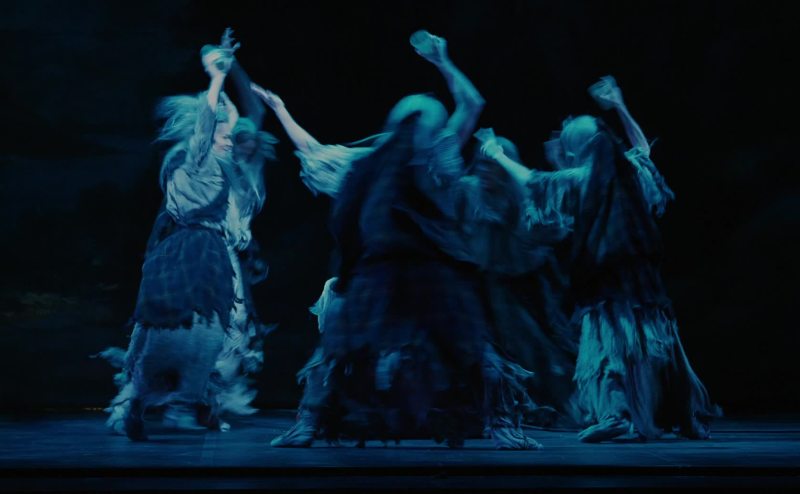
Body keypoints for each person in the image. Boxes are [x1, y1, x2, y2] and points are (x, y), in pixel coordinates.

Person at [260, 32, 540, 449]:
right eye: (416, 121)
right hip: (383, 271)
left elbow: (472, 104)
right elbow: (318, 159)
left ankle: (502, 425)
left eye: (427, 121)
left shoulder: (440, 158)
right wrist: (281, 110)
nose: (422, 128)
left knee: (473, 346)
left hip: (434, 272)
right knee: (340, 343)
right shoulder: (373, 163)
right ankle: (309, 421)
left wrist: (442, 61)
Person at [479, 76, 719, 442]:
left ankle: (617, 414)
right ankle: (667, 414)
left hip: (608, 276)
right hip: (641, 277)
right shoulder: (627, 172)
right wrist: (620, 106)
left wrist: (497, 155)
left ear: (578, 150)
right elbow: (642, 148)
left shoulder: (585, 179)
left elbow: (535, 181)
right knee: (652, 341)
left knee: (611, 343)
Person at [102, 32, 277, 441]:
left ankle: (189, 401)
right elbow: (207, 127)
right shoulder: (196, 159)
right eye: (226, 135)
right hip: (195, 250)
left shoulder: (230, 168)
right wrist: (216, 78)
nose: (233, 141)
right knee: (179, 325)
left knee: (214, 329)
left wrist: (229, 67)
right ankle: (147, 400)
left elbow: (241, 118)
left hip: (207, 251)